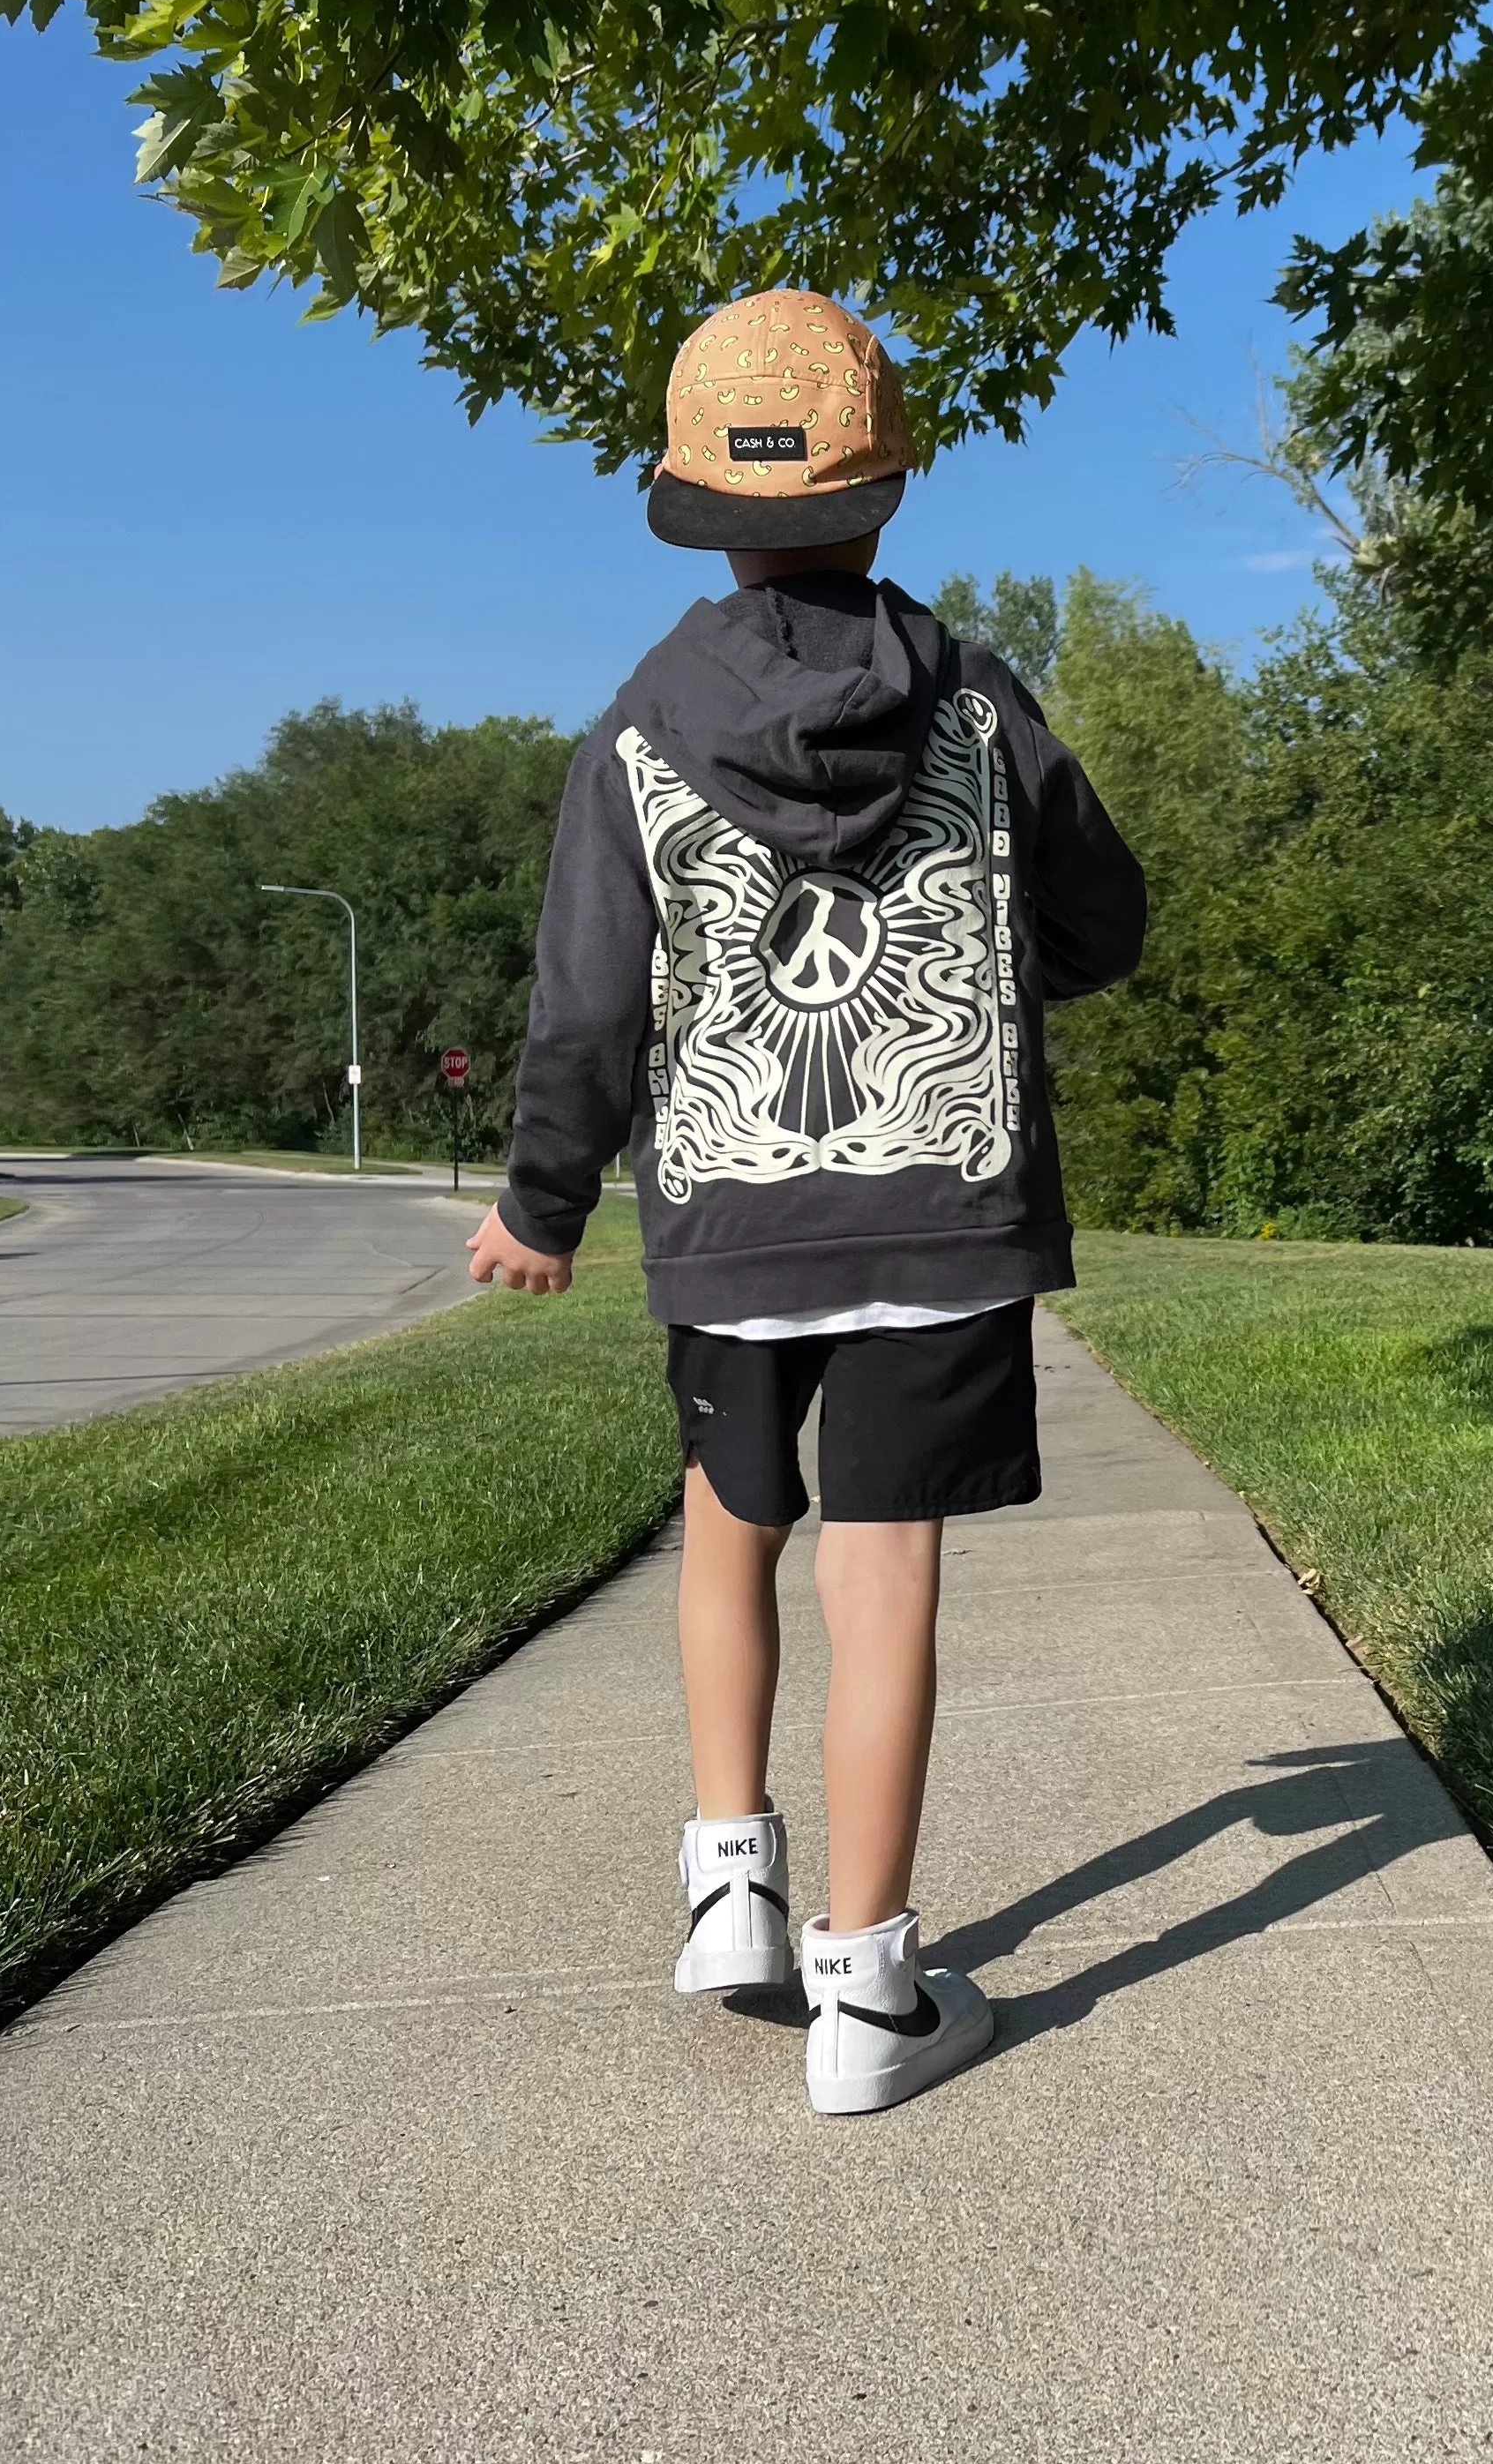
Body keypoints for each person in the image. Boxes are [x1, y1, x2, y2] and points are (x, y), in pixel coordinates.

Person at [467, 287, 1145, 2113]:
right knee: (888, 1568)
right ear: (887, 485)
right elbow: (1103, 922)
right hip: (942, 1201)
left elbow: (588, 1005)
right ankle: (872, 2000)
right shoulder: (981, 705)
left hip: (732, 1214)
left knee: (727, 1520)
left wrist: (542, 1202)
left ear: (689, 494)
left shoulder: (632, 732)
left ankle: (727, 1888)